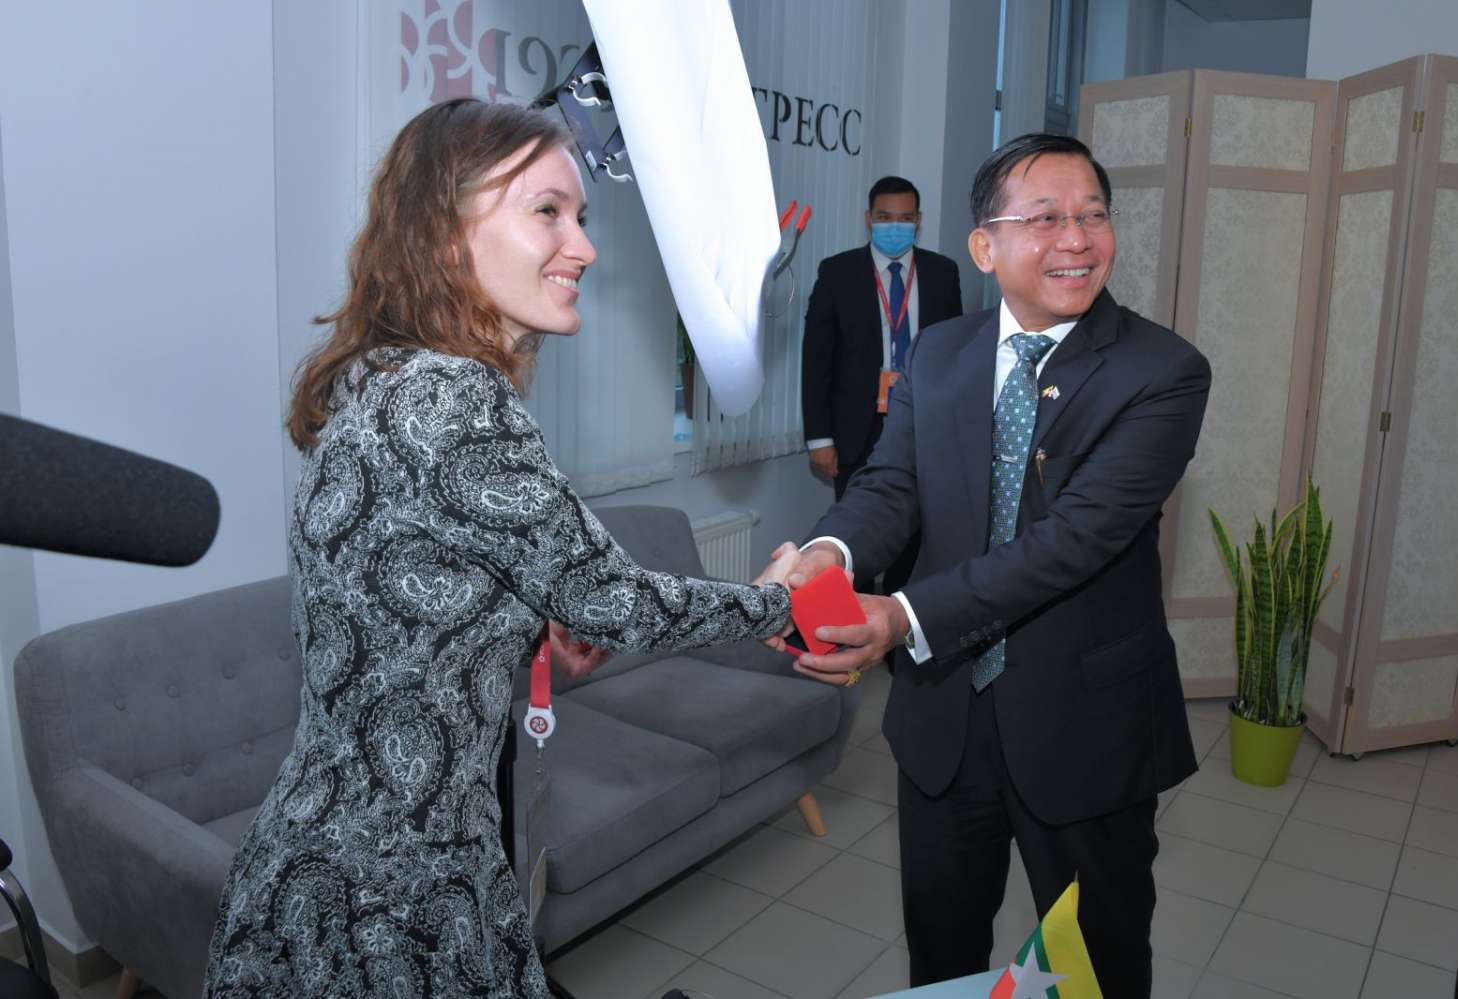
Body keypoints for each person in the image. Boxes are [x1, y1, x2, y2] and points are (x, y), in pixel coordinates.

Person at [202, 98, 798, 999]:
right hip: (399, 892)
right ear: (445, 233)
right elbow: (621, 603)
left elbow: (406, 612)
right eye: (547, 211)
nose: (584, 247)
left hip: (317, 862)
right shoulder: (458, 400)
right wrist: (778, 597)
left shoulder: (379, 378)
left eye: (582, 216)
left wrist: (526, 629)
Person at [763, 134, 1211, 997]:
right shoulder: (940, 353)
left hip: (1086, 727)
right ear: (984, 245)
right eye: (1045, 218)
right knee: (942, 955)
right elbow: (891, 485)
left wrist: (901, 617)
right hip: (944, 724)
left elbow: (1070, 542)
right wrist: (827, 552)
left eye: (1093, 216)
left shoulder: (1161, 372)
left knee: (1097, 968)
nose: (1076, 239)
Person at [800, 176, 963, 594]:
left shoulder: (943, 273)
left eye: (905, 218)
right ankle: (857, 616)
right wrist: (819, 438)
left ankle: (897, 620)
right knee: (854, 531)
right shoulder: (837, 272)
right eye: (885, 217)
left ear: (919, 221)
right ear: (868, 218)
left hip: (921, 422)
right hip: (856, 426)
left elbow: (955, 356)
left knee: (913, 531)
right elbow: (817, 359)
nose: (895, 226)